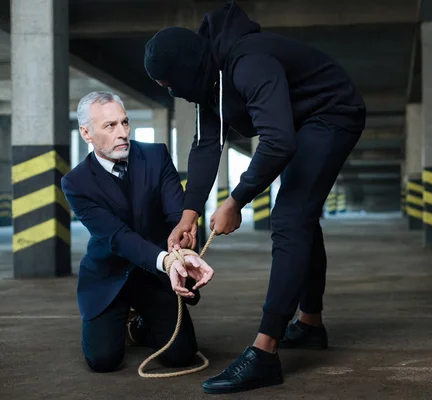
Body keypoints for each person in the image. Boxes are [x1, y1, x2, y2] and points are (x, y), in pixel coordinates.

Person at [143, 0, 366, 394]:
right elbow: (206, 144)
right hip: (299, 119)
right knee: (299, 217)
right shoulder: (208, 80)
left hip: (332, 111)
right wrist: (188, 215)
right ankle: (310, 325)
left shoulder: (248, 63)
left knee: (289, 218)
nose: (173, 93)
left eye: (170, 86)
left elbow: (278, 141)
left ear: (184, 72)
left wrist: (236, 201)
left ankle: (264, 353)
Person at [61, 91, 215, 373]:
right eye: (110, 126)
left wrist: (183, 253)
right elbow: (117, 237)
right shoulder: (76, 182)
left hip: (154, 275)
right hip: (109, 275)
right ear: (86, 133)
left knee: (181, 355)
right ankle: (119, 322)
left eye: (125, 123)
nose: (122, 133)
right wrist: (166, 261)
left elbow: (176, 217)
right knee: (103, 361)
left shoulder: (156, 156)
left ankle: (142, 325)